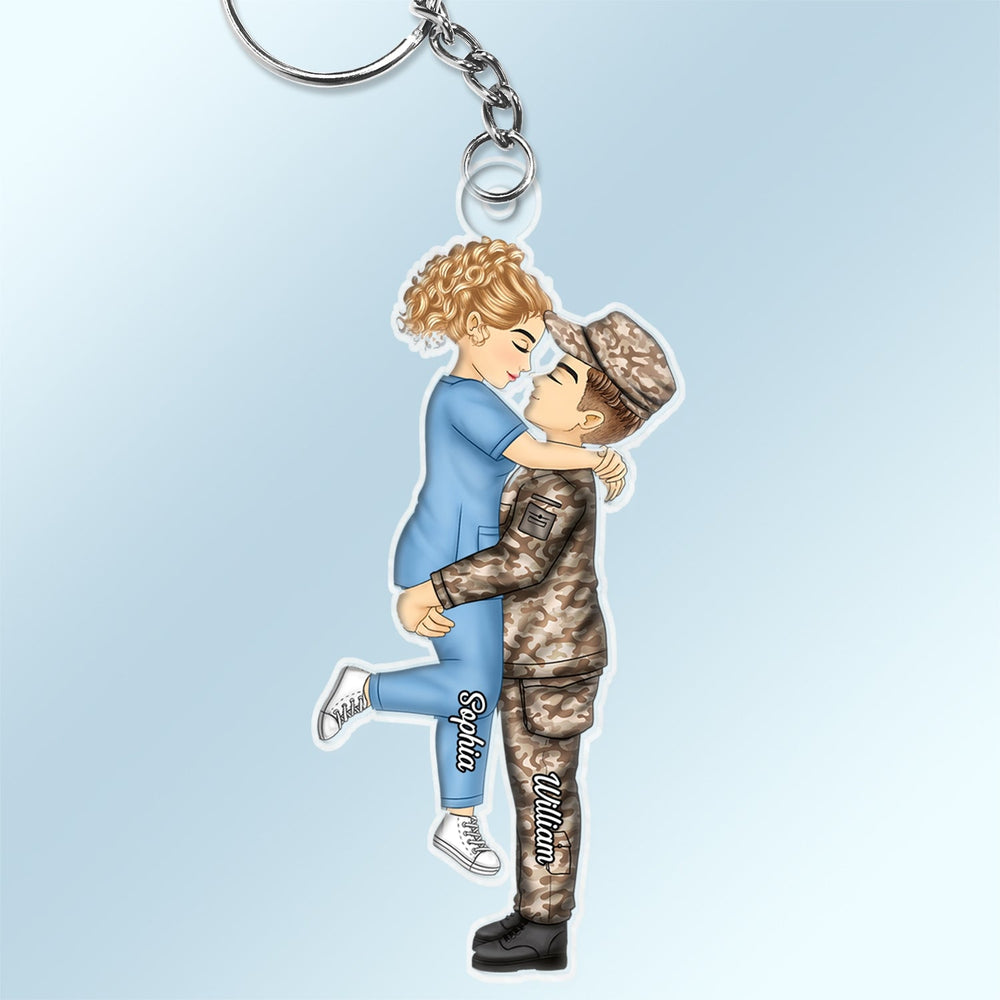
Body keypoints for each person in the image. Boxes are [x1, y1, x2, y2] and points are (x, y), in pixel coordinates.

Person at [312, 239, 627, 877]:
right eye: (520, 344)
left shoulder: (477, 397)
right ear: (477, 328)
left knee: (472, 687)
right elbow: (531, 454)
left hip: (467, 554)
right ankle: (371, 693)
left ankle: (458, 816)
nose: (527, 365)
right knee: (473, 688)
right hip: (452, 555)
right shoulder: (464, 398)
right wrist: (597, 457)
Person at [396, 308, 680, 972]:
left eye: (559, 374)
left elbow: (520, 561)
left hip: (551, 666)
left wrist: (433, 591)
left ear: (587, 417)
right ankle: (534, 911)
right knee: (535, 787)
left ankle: (546, 927)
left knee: (544, 790)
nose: (540, 377)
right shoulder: (552, 467)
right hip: (540, 658)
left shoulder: (556, 481)